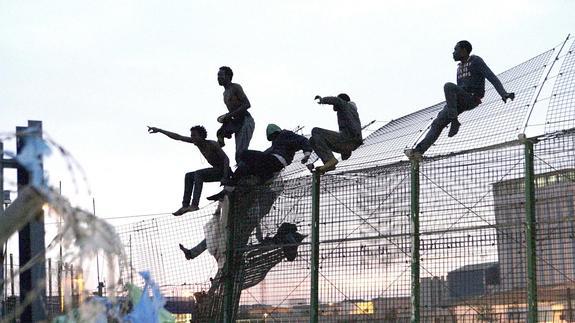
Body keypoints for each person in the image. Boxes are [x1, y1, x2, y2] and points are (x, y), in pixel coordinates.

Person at [180, 124, 312, 261]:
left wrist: (307, 152)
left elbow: (301, 141)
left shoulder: (284, 136)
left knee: (244, 155)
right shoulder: (274, 147)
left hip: (252, 199)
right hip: (249, 199)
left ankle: (230, 187)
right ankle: (193, 253)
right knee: (222, 230)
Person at [407, 40, 515, 158]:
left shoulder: (476, 61)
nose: (453, 53)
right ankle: (418, 151)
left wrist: (503, 93)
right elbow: (458, 88)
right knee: (437, 123)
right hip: (458, 100)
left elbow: (491, 77)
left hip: (471, 97)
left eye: (455, 49)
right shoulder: (459, 68)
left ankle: (454, 121)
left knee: (448, 86)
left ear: (463, 50)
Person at [147, 125, 230, 216]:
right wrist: (159, 130)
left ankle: (194, 205)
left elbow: (226, 159)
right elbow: (178, 137)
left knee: (199, 174)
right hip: (216, 171)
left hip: (224, 171)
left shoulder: (212, 144)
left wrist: (225, 177)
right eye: (191, 136)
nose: (192, 138)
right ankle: (185, 205)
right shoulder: (197, 143)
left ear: (201, 136)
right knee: (189, 176)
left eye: (194, 135)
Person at [308, 93, 363, 173]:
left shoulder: (345, 105)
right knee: (312, 140)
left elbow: (336, 100)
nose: (334, 106)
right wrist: (345, 152)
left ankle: (330, 159)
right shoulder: (351, 113)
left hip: (348, 138)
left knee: (316, 131)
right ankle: (329, 164)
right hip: (349, 143)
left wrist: (323, 100)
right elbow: (353, 127)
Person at [216, 66, 255, 162]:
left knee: (240, 153)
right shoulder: (225, 93)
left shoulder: (235, 87)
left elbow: (247, 104)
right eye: (218, 75)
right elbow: (233, 111)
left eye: (221, 75)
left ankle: (248, 169)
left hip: (246, 120)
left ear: (228, 76)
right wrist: (225, 117)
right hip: (236, 121)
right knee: (220, 133)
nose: (218, 77)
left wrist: (228, 116)